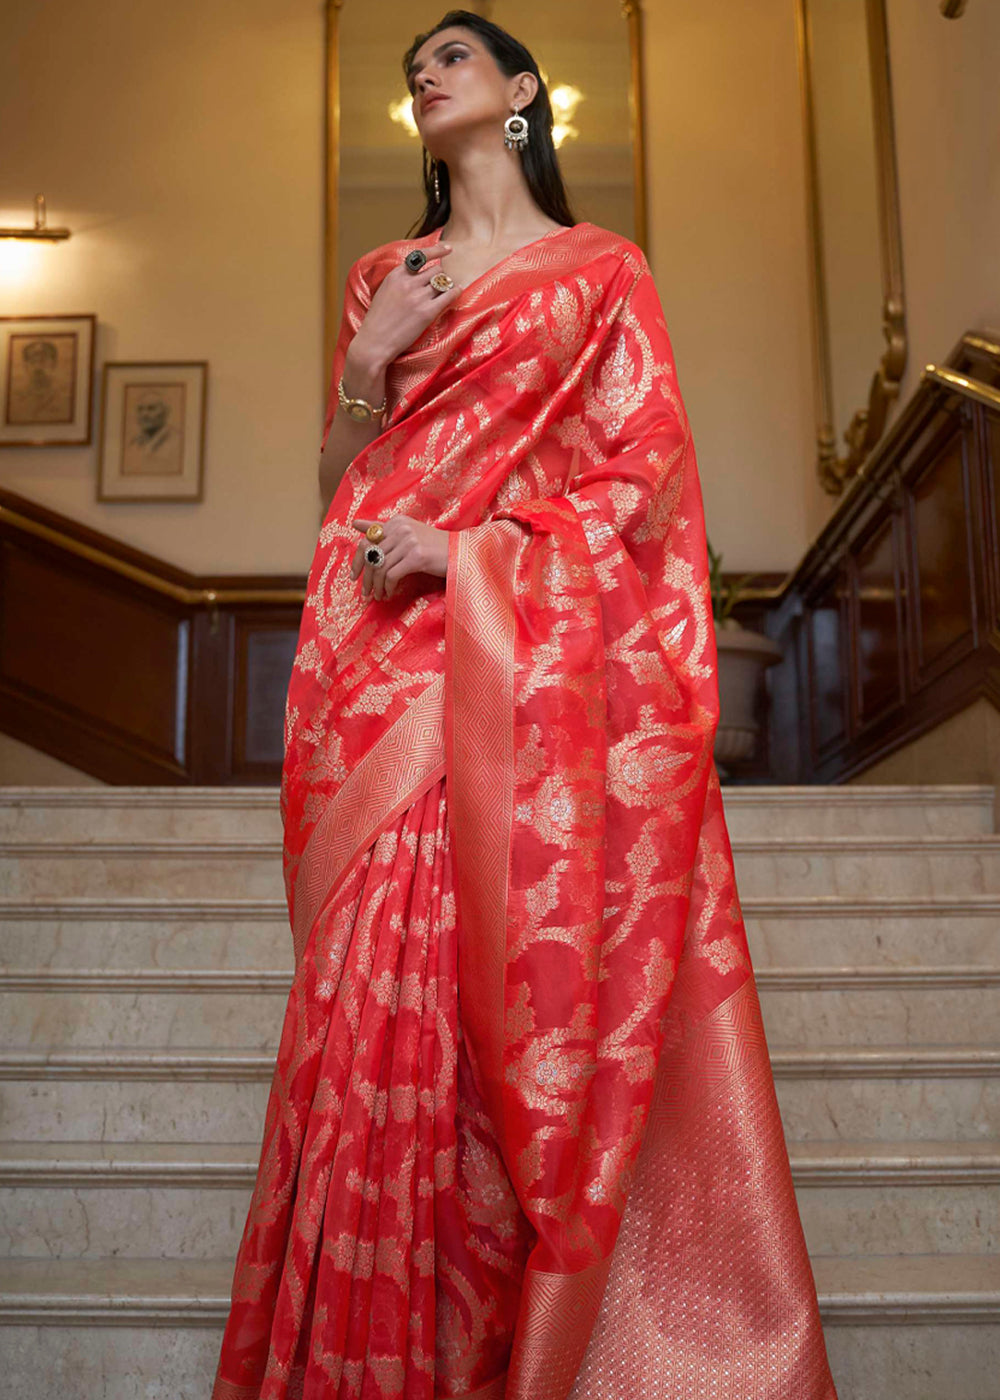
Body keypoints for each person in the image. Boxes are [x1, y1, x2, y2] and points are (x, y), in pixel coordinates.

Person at [212, 10, 839, 1398]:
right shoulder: (390, 275)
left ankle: (500, 1333)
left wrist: (476, 554)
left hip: (512, 659)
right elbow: (340, 487)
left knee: (494, 981)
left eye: (449, 57)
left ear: (519, 94)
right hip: (379, 665)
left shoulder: (604, 273)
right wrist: (371, 361)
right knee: (376, 985)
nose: (423, 76)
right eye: (409, 69)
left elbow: (641, 490)